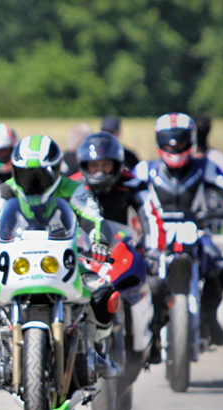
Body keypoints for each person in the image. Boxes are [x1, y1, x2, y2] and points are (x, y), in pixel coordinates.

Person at [0, 134, 121, 376]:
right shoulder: (4, 191)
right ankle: (0, 342)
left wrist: (99, 241)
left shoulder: (72, 189)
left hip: (64, 262)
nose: (33, 182)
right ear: (15, 171)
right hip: (14, 262)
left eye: (40, 175)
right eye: (25, 174)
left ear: (55, 170)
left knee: (105, 293)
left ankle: (95, 348)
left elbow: (94, 218)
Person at [68, 131, 170, 362]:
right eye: (94, 166)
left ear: (117, 164)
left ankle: (153, 341)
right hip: (82, 252)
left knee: (158, 285)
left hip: (123, 251)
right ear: (84, 165)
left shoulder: (134, 184)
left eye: (105, 165)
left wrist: (154, 250)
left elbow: (152, 216)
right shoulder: (72, 185)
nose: (100, 171)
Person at [135, 112, 223, 345]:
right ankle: (146, 327)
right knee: (137, 270)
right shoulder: (146, 170)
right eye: (169, 139)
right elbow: (127, 193)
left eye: (181, 139)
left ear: (192, 139)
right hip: (156, 235)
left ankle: (209, 315)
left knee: (219, 266)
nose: (175, 145)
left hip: (197, 232)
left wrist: (213, 214)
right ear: (159, 141)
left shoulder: (205, 166)